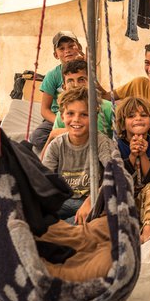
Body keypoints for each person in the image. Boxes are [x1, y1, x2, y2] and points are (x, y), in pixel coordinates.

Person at [42, 86, 119, 224]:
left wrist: (91, 201)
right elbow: (44, 181)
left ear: (94, 117)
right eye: (70, 113)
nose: (76, 119)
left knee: (101, 217)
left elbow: (114, 175)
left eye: (84, 114)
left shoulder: (102, 143)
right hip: (63, 200)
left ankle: (60, 232)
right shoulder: (56, 146)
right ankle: (59, 231)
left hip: (93, 201)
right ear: (62, 116)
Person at [115, 97, 150, 243]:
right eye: (131, 115)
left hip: (144, 199)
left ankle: (147, 232)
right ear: (123, 122)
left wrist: (143, 155)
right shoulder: (116, 146)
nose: (138, 119)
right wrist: (133, 156)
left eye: (143, 115)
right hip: (124, 197)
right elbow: (119, 176)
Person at [39, 59, 114, 158]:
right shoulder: (64, 113)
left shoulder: (108, 108)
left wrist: (67, 132)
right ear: (64, 87)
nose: (76, 85)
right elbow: (49, 153)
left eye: (81, 80)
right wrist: (52, 135)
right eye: (70, 81)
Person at [30, 31, 84, 151]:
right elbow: (45, 110)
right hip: (59, 118)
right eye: (62, 48)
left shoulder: (87, 69)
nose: (67, 51)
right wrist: (62, 122)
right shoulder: (52, 76)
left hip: (84, 115)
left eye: (71, 46)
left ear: (79, 48)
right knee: (37, 138)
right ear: (56, 54)